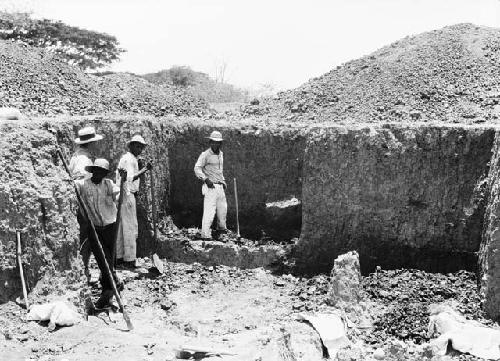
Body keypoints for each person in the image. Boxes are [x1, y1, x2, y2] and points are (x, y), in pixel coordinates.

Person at [75, 159, 123, 309]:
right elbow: (70, 187)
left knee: (111, 259)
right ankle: (112, 286)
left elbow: (118, 194)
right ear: (92, 171)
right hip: (94, 227)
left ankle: (107, 290)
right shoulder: (83, 184)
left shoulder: (108, 184)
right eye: (97, 171)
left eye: (102, 172)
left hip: (110, 225)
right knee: (103, 259)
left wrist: (124, 182)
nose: (99, 174)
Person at [69, 126, 103, 284]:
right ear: (90, 143)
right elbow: (81, 182)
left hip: (79, 201)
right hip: (83, 202)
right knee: (86, 237)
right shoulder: (84, 160)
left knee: (86, 237)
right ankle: (83, 271)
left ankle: (85, 270)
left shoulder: (77, 156)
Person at [115, 134, 152, 268]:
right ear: (131, 146)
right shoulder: (129, 160)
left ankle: (119, 257)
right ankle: (130, 259)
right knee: (130, 227)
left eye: (141, 147)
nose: (140, 149)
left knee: (121, 228)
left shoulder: (128, 158)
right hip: (127, 194)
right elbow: (130, 178)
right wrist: (145, 169)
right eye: (137, 146)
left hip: (122, 195)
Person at [194, 130, 228, 240]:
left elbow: (219, 170)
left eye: (218, 142)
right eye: (213, 142)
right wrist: (205, 179)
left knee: (222, 210)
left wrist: (223, 181)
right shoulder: (205, 154)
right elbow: (197, 168)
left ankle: (221, 232)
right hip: (210, 186)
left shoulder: (221, 154)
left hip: (219, 186)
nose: (216, 144)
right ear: (210, 142)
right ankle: (205, 234)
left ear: (220, 143)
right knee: (209, 211)